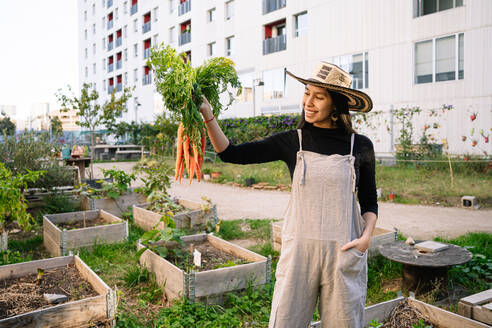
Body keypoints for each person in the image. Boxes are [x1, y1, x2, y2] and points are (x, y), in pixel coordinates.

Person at [199, 62, 378, 328]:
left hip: (343, 253)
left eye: (319, 96)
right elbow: (231, 153)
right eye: (307, 92)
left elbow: (369, 200)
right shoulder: (294, 141)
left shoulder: (360, 146)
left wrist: (365, 238)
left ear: (337, 105)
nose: (309, 101)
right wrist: (207, 114)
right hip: (298, 256)